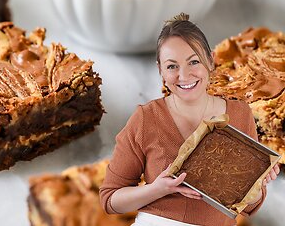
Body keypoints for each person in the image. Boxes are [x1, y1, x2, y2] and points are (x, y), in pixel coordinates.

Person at [99, 13, 281, 226]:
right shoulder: (146, 118)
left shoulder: (241, 114)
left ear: (210, 61)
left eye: (193, 62)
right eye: (172, 66)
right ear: (160, 70)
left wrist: (257, 189)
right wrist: (158, 189)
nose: (184, 75)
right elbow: (110, 200)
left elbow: (248, 206)